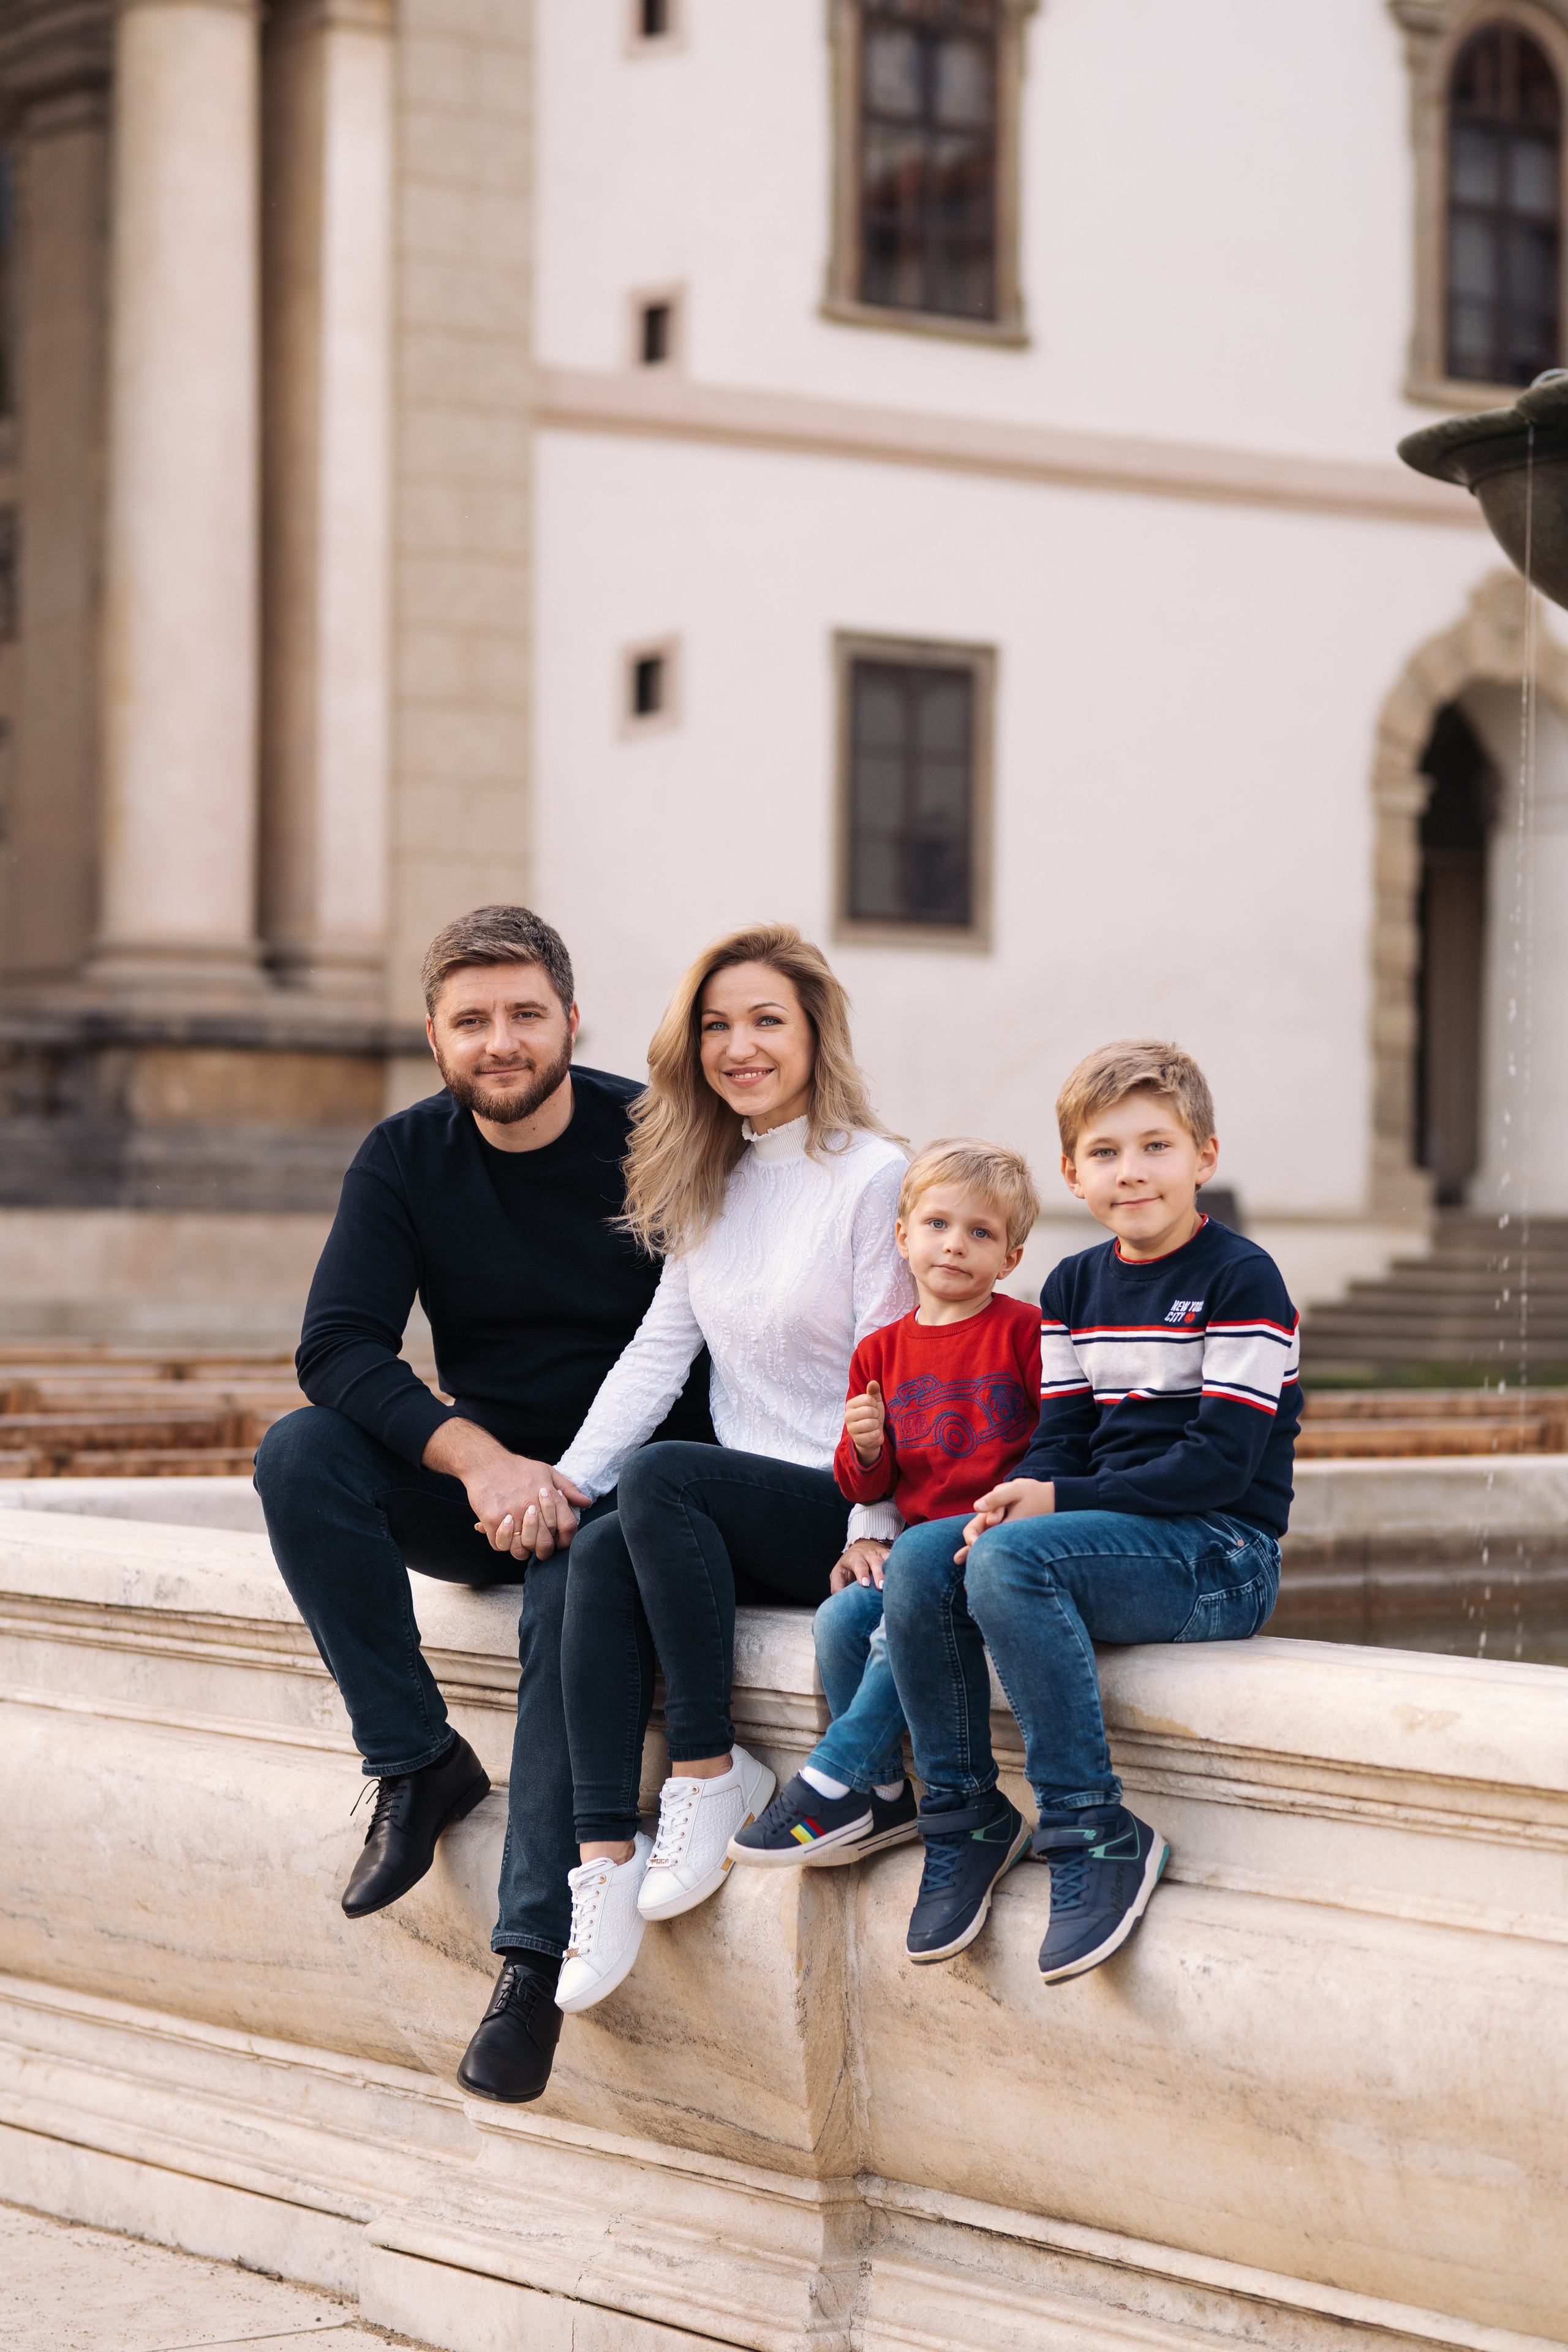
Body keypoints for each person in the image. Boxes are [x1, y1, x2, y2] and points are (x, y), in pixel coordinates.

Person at [253, 905, 712, 2109]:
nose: (497, 1041)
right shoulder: (404, 1156)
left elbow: (712, 1346)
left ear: (570, 1019)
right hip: (491, 1489)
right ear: (434, 1037)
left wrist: (578, 1479)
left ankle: (525, 1966)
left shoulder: (654, 1137)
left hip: (628, 1494)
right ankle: (416, 1759)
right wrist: (482, 1464)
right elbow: (339, 1348)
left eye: (521, 1014)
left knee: (572, 1608)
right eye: (471, 1021)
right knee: (302, 1455)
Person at [548, 924, 914, 2015]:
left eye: (766, 1021)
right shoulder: (710, 1179)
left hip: (837, 1505)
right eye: (716, 1025)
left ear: (813, 1035)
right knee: (607, 1539)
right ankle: (605, 1859)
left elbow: (893, 1369)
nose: (738, 1045)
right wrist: (567, 1482)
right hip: (725, 1509)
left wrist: (879, 1528)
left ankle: (711, 1771)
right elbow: (659, 1353)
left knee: (662, 1477)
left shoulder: (872, 1173)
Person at [882, 1039, 1301, 1984]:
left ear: (1205, 1156)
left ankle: (1094, 1828)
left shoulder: (1244, 1280)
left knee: (1010, 1562)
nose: (1133, 1172)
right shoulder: (1073, 1287)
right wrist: (1015, 1498)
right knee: (925, 1557)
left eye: (1156, 1147)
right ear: (1074, 1172)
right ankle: (963, 1816)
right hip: (1115, 1537)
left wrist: (1057, 1504)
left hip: (1220, 1554)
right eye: (1106, 1153)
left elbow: (1220, 1465)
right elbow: (1063, 1443)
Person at [729, 1137, 1042, 1868]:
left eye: (980, 1233)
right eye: (936, 1225)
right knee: (841, 1618)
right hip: (917, 1556)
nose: (955, 1246)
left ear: (1011, 1257)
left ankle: (835, 1780)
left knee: (892, 1629)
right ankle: (879, 1792)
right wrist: (866, 1449)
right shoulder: (880, 1352)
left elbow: (1057, 1441)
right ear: (902, 1237)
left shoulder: (1022, 1331)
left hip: (988, 1549)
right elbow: (865, 1487)